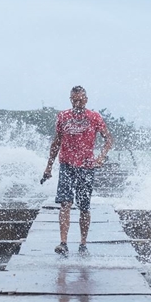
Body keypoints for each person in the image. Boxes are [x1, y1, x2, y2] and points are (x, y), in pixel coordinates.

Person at [43, 86, 113, 256]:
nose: (78, 102)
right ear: (70, 99)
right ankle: (63, 243)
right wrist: (49, 166)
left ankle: (83, 244)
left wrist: (101, 157)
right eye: (74, 99)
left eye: (81, 99)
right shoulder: (63, 117)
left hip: (86, 167)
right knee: (65, 203)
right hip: (66, 165)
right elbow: (56, 142)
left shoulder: (94, 117)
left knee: (84, 206)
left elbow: (108, 140)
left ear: (86, 99)